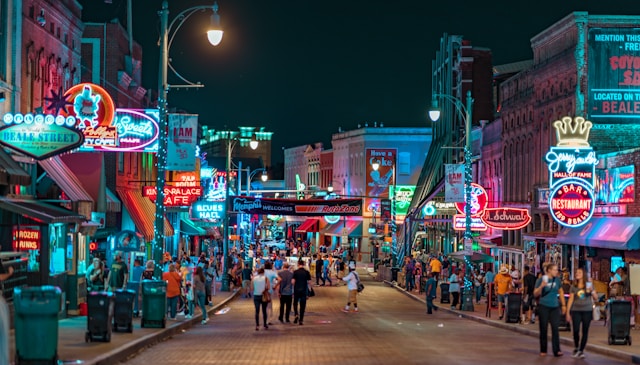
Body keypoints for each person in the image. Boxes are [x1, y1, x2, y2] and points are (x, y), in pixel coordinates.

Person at [533, 263, 567, 357]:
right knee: (543, 328)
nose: (556, 272)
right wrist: (541, 286)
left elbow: (560, 291)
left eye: (557, 270)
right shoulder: (541, 280)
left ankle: (557, 350)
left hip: (555, 306)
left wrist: (563, 305)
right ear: (549, 270)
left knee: (555, 328)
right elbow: (535, 294)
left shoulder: (557, 280)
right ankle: (543, 349)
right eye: (555, 270)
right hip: (544, 306)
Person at [566, 267, 598, 359]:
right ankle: (576, 347)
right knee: (575, 330)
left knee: (585, 330)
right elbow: (571, 299)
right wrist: (568, 312)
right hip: (576, 310)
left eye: (579, 272)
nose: (577, 274)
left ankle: (581, 350)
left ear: (583, 274)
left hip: (587, 310)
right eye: (576, 272)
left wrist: (592, 290)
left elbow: (596, 298)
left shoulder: (588, 285)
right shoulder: (574, 286)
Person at [292, 259, 312, 325]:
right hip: (303, 290)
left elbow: (293, 282)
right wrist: (309, 292)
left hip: (296, 290)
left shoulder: (295, 272)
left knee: (295, 303)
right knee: (302, 305)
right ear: (303, 265)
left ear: (298, 264)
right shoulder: (306, 272)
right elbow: (309, 282)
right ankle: (301, 320)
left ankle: (296, 314)